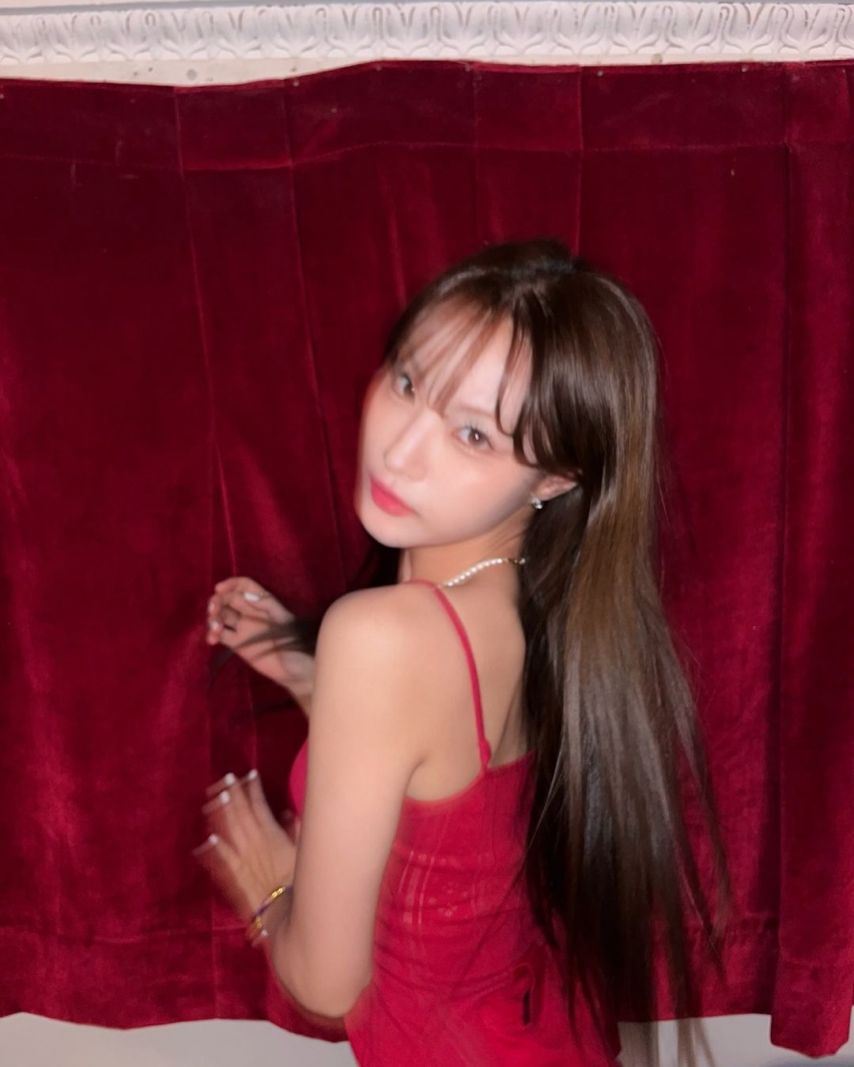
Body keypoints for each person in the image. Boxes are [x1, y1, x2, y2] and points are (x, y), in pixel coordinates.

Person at [193, 238, 732, 1066]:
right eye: (408, 381)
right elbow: (453, 789)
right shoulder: (540, 598)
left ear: (555, 477)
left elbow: (326, 983)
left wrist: (273, 884)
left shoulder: (382, 639)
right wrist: (316, 678)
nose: (400, 449)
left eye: (473, 434)